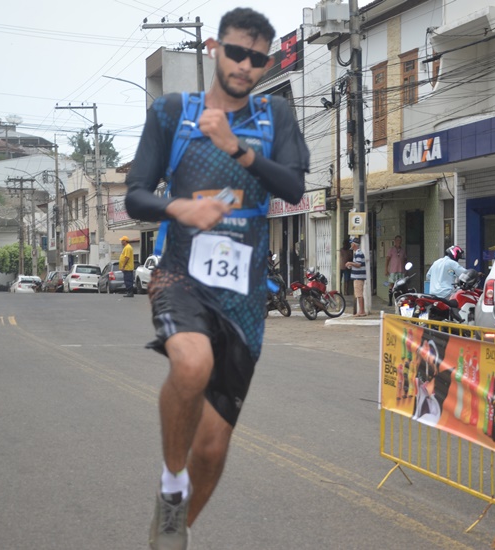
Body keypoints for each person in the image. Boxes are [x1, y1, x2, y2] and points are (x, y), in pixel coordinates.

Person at [124, 8, 309, 550]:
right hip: (181, 275)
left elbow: (293, 188)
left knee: (211, 447)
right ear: (213, 48)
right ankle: (171, 484)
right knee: (191, 362)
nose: (244, 65)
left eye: (257, 59)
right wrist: (178, 207)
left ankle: (174, 527)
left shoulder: (276, 117)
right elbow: (136, 195)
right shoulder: (171, 113)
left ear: (265, 64)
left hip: (244, 298)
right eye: (236, 52)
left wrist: (236, 147)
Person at [346, 237, 367, 316]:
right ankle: (361, 311)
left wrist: (350, 263)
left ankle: (361, 311)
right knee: (359, 294)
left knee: (359, 294)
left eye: (351, 243)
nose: (350, 245)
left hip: (358, 277)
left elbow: (358, 264)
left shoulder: (358, 253)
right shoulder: (358, 253)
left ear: (354, 244)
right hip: (358, 276)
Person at [385, 235, 408, 306]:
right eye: (397, 240)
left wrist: (406, 270)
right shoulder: (391, 250)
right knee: (391, 285)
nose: (399, 242)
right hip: (393, 270)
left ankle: (400, 301)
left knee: (401, 285)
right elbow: (387, 259)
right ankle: (390, 301)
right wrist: (386, 269)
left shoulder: (402, 251)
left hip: (401, 271)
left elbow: (405, 260)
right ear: (395, 241)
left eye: (400, 240)